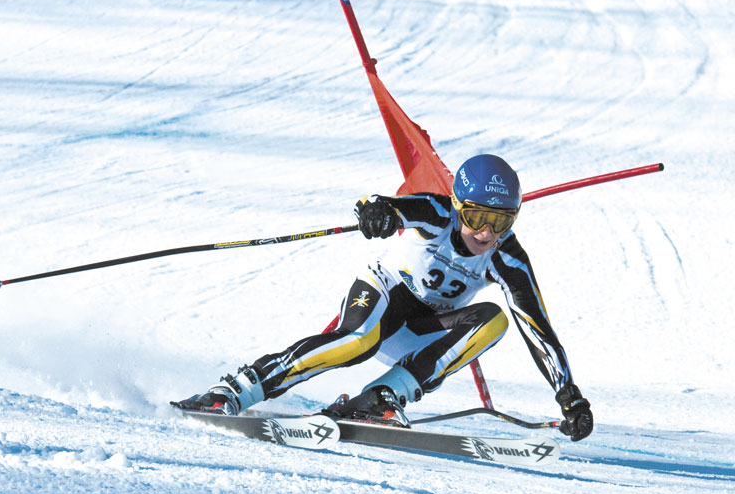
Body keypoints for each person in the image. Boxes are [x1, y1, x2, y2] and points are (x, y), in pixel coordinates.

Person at [174, 154, 594, 442]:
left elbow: (539, 329)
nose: (486, 233)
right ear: (458, 206)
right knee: (356, 342)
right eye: (476, 217)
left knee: (496, 320)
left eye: (500, 221)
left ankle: (381, 397)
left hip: (423, 330)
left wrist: (569, 395)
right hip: (383, 295)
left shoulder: (508, 258)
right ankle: (233, 390)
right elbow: (389, 205)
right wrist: (377, 213)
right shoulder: (437, 213)